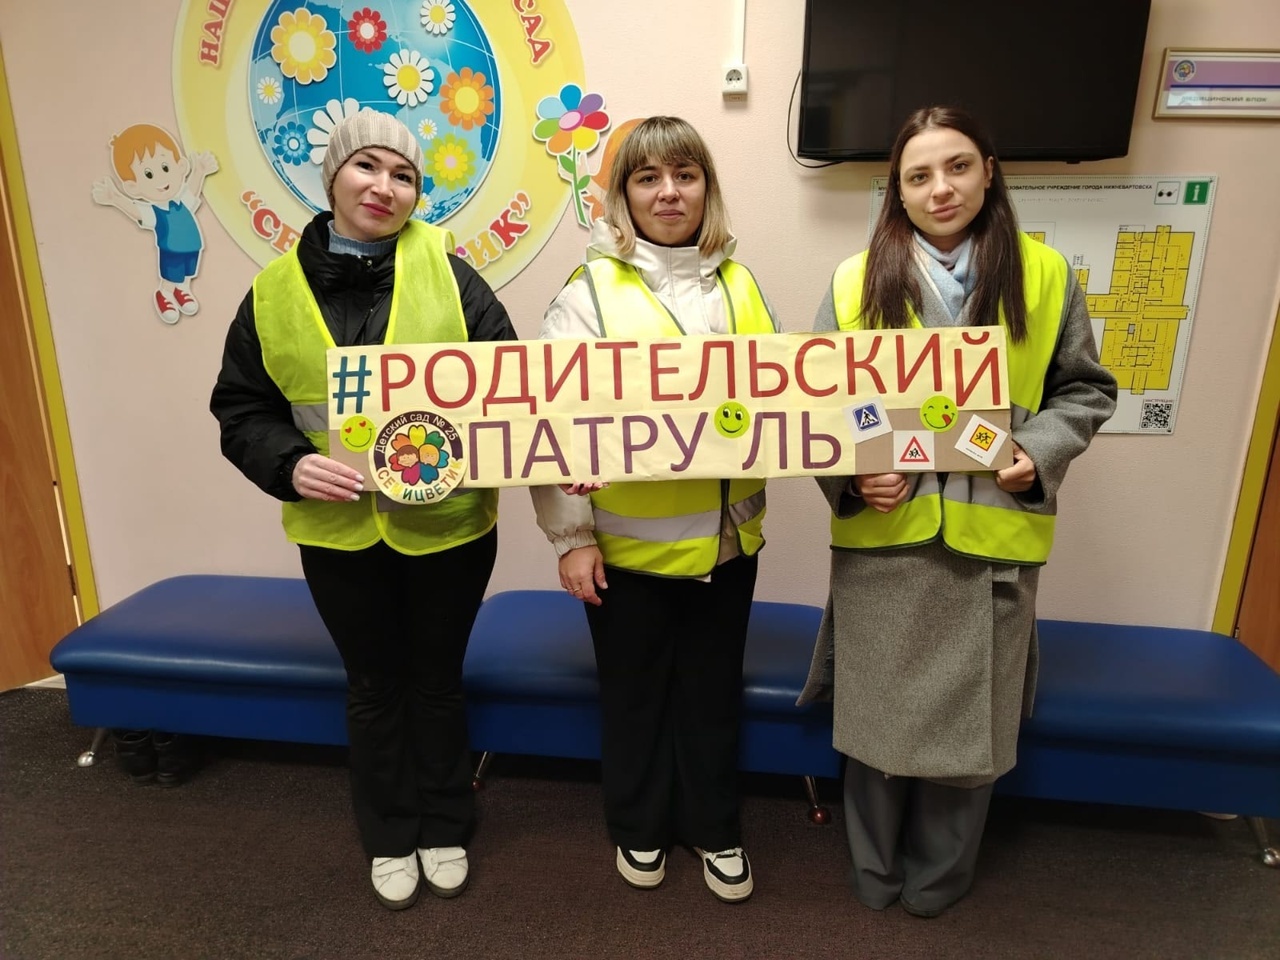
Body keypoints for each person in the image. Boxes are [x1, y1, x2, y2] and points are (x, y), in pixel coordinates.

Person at [798, 105, 1117, 918]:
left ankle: (940, 879)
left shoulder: (1047, 274)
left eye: (958, 166)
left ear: (989, 171)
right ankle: (873, 871)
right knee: (877, 727)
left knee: (972, 736)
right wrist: (853, 479)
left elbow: (1086, 390)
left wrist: (1036, 452)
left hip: (993, 540)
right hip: (889, 541)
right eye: (919, 176)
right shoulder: (852, 280)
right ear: (897, 191)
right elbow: (816, 411)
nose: (940, 188)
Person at [210, 109, 516, 910]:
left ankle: (446, 824)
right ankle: (389, 833)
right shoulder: (271, 293)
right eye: (367, 167)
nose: (384, 187)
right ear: (332, 176)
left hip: (448, 529)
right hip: (338, 534)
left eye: (404, 175)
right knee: (373, 686)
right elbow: (242, 409)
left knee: (437, 683)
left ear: (419, 192)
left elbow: (513, 389)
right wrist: (289, 462)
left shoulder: (455, 277)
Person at [530, 116, 779, 903]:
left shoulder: (740, 284)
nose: (669, 192)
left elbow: (782, 404)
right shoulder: (588, 294)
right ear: (622, 195)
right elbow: (548, 424)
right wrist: (570, 539)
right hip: (624, 550)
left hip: (726, 546)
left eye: (685, 174)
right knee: (634, 698)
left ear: (707, 187)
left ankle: (715, 828)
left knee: (712, 694)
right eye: (647, 178)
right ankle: (638, 826)